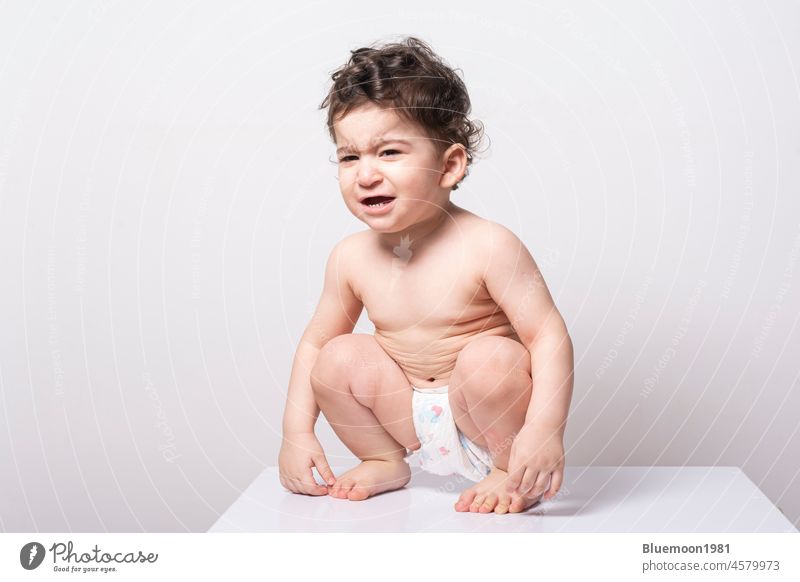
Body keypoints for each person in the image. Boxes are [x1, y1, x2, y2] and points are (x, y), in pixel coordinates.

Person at [278, 37, 574, 514]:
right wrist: (295, 433)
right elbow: (313, 344)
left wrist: (543, 432)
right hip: (405, 417)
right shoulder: (350, 257)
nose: (365, 175)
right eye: (350, 157)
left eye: (389, 152)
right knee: (335, 355)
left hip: (488, 420)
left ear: (449, 165)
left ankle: (505, 471)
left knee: (491, 358)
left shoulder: (488, 245)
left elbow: (548, 336)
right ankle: (381, 459)